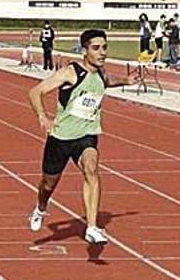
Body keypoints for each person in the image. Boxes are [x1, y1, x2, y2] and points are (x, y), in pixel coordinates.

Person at [27, 29, 138, 244]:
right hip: (60, 138)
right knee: (48, 185)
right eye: (96, 48)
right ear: (85, 51)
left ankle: (92, 227)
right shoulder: (71, 72)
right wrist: (43, 117)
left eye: (104, 47)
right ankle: (41, 208)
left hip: (87, 136)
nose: (102, 52)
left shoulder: (101, 72)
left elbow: (107, 81)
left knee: (92, 169)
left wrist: (126, 81)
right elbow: (35, 92)